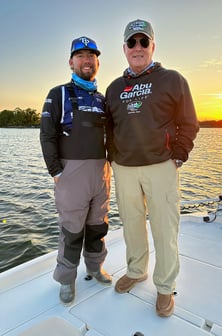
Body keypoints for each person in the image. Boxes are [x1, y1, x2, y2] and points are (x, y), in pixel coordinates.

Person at [105, 19, 199, 317]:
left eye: (143, 42)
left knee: (164, 228)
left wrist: (179, 155)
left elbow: (189, 122)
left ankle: (165, 287)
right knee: (132, 225)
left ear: (152, 46)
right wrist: (112, 157)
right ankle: (136, 270)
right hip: (125, 168)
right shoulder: (114, 87)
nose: (137, 48)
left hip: (161, 165)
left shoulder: (172, 79)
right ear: (124, 48)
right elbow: (109, 127)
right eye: (131, 42)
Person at [40, 36, 112, 305]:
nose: (86, 60)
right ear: (71, 62)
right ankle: (67, 279)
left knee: (97, 227)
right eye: (80, 55)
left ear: (97, 62)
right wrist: (56, 172)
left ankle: (94, 267)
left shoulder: (103, 99)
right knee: (71, 230)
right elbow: (46, 135)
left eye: (91, 55)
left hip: (101, 173)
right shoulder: (58, 93)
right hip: (71, 174)